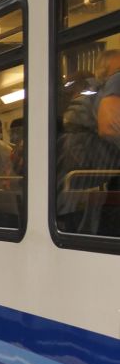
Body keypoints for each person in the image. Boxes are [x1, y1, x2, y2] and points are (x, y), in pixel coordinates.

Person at [56, 50, 120, 234]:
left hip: (73, 196)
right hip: (93, 195)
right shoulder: (109, 90)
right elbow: (110, 127)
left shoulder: (86, 101)